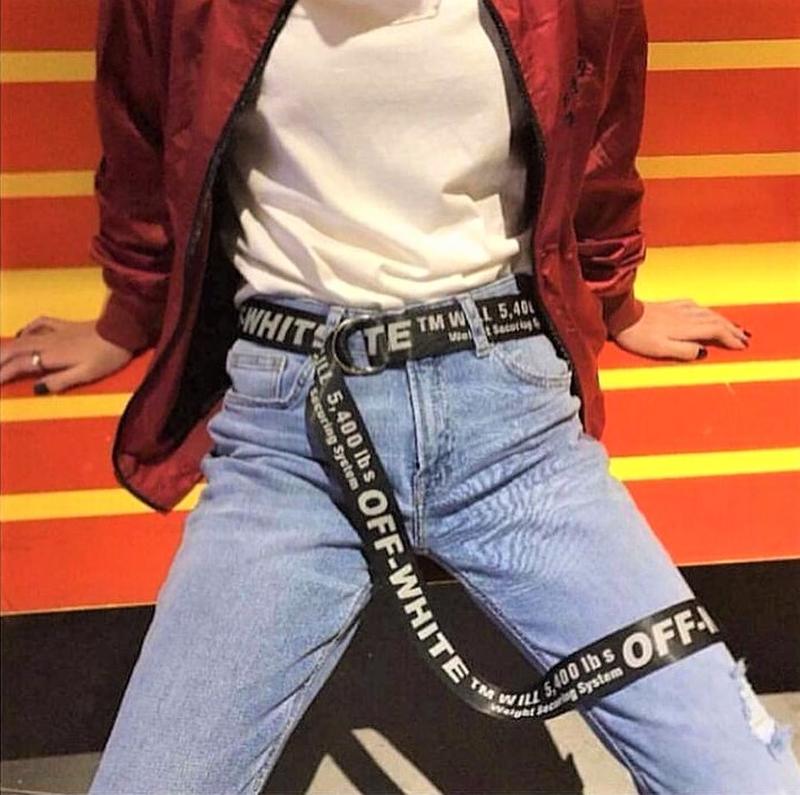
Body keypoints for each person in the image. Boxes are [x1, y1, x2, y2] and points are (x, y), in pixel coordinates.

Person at [2, 1, 799, 793]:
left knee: (742, 782)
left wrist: (614, 299)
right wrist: (129, 314)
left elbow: (598, 142)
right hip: (291, 440)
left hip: (513, 425)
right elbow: (143, 138)